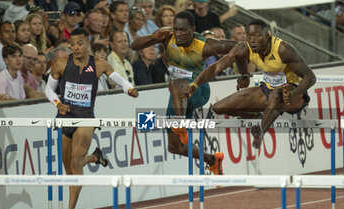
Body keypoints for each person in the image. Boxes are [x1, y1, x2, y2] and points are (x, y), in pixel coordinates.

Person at [44, 28, 138, 209]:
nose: (75, 47)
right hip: (65, 118)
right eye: (72, 44)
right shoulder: (60, 63)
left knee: (76, 162)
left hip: (86, 119)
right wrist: (57, 103)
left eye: (79, 43)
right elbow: (48, 90)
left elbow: (120, 80)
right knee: (70, 170)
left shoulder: (99, 64)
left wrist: (128, 89)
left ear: (87, 43)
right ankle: (95, 157)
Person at [131, 11, 245, 175]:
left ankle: (180, 124)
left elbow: (240, 48)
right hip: (178, 97)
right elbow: (134, 46)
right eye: (175, 29)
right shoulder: (166, 36)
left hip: (199, 91)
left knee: (175, 83)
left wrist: (245, 75)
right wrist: (153, 37)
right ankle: (212, 159)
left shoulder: (206, 45)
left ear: (192, 29)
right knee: (175, 147)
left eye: (183, 30)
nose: (178, 33)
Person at [182, 19, 316, 149]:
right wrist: (195, 84)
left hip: (292, 94)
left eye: (256, 35)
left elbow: (310, 77)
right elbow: (216, 67)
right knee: (219, 108)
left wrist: (294, 94)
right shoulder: (244, 48)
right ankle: (256, 117)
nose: (252, 40)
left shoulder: (283, 49)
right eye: (249, 35)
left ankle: (260, 131)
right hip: (267, 91)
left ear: (267, 36)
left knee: (276, 94)